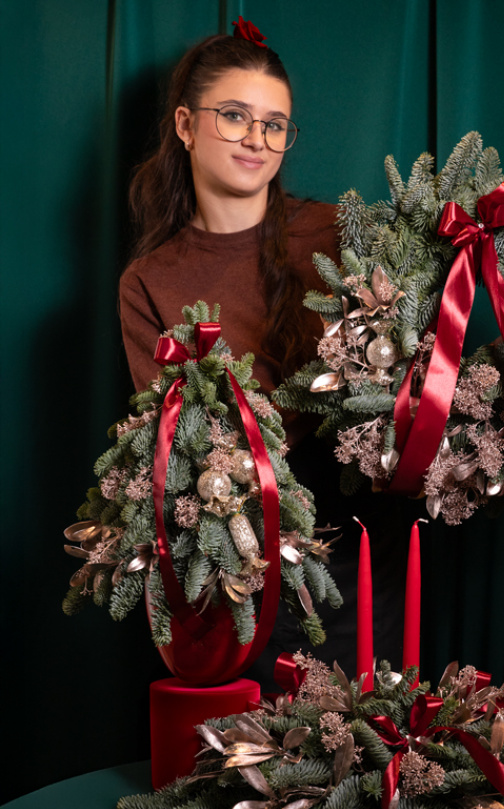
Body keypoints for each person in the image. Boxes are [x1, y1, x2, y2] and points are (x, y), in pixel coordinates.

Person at [119, 23, 410, 689]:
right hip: (240, 559)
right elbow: (169, 440)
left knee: (355, 760)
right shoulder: (150, 283)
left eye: (275, 124)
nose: (257, 138)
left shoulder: (336, 232)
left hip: (356, 547)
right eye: (235, 116)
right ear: (187, 126)